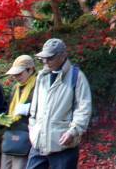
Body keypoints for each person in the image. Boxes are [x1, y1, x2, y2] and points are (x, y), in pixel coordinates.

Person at [26, 38, 92, 169]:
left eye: (50, 58)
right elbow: (35, 107)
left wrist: (73, 131)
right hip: (39, 142)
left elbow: (84, 109)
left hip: (64, 144)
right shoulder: (41, 76)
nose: (45, 61)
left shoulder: (77, 77)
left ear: (63, 56)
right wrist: (32, 129)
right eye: (43, 58)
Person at [0, 55, 37, 169]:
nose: (16, 77)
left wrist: (27, 109)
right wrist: (2, 118)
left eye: (19, 74)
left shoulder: (39, 86)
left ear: (31, 69)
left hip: (27, 135)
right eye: (14, 74)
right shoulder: (16, 88)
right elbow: (9, 109)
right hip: (11, 133)